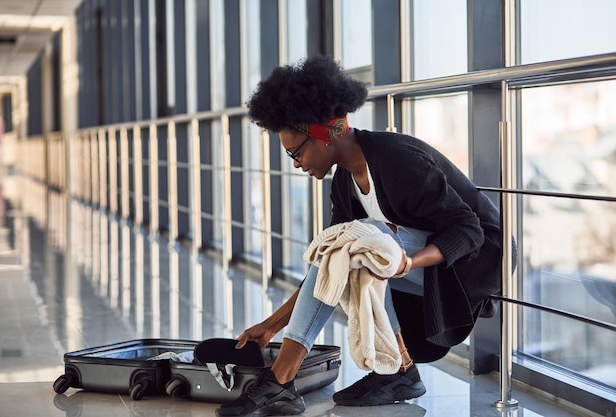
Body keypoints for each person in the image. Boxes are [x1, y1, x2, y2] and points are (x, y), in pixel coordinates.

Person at [215, 55, 510, 417]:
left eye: (296, 152)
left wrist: (407, 262)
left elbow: (469, 229)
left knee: (360, 240)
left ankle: (281, 380)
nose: (296, 163)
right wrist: (270, 326)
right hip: (422, 256)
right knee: (346, 247)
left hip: (477, 259)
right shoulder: (344, 183)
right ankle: (399, 371)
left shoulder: (396, 160)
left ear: (327, 132)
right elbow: (326, 267)